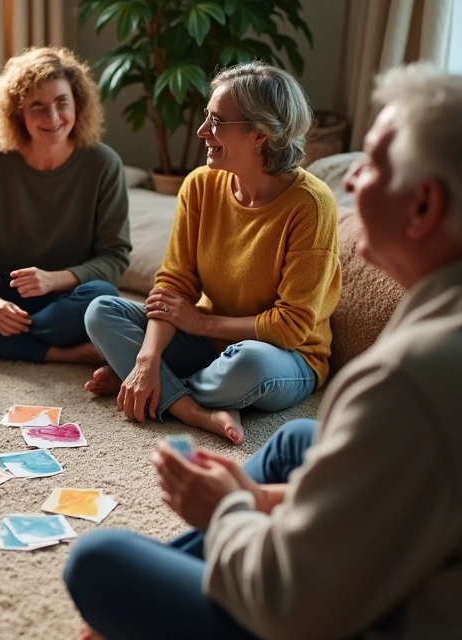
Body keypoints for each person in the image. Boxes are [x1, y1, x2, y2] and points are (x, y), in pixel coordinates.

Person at [63, 64, 462, 639]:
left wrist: (227, 512)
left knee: (98, 562)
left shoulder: (406, 381)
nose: (355, 180)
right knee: (295, 441)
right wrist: (261, 496)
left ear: (425, 206)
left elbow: (291, 608)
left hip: (374, 617)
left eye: (374, 164)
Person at [83, 61, 340, 445]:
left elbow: (290, 327)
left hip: (284, 358)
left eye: (217, 121)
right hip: (206, 348)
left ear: (260, 134)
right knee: (101, 310)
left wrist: (201, 325)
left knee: (248, 364)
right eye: (207, 116)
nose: (203, 131)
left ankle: (159, 390)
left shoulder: (312, 205)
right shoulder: (200, 184)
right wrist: (146, 360)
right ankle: (193, 410)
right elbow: (174, 285)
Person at [0, 46, 131, 364]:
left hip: (65, 298)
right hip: (3, 292)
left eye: (62, 103)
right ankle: (58, 353)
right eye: (37, 107)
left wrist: (53, 279)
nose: (53, 118)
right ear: (18, 112)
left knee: (102, 297)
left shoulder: (103, 163)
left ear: (78, 104)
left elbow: (114, 257)